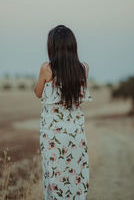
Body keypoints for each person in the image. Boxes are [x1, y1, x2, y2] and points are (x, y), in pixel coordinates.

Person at [34, 24, 93, 199]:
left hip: (53, 135)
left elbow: (38, 93)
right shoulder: (84, 68)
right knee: (75, 175)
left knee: (54, 176)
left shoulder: (47, 69)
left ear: (52, 46)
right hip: (76, 133)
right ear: (72, 46)